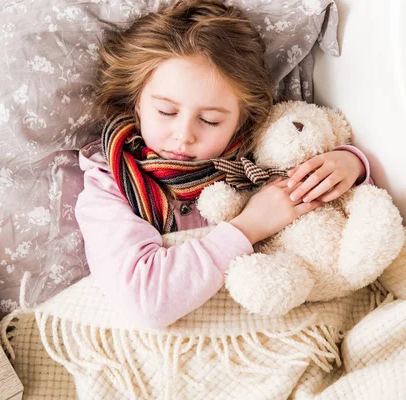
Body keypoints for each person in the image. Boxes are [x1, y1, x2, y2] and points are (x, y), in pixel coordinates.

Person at [75, 0, 372, 329]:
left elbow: (344, 226)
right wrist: (250, 225)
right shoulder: (109, 183)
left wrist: (351, 166)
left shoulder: (258, 155)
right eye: (166, 112)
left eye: (210, 120)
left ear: (241, 120)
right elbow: (145, 301)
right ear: (137, 103)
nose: (184, 135)